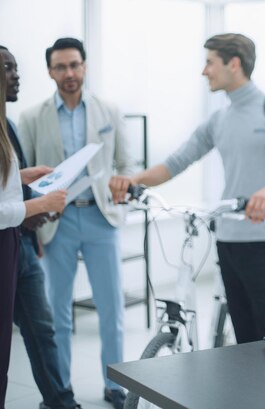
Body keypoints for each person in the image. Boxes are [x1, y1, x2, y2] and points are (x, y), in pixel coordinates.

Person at [109, 33, 265, 344]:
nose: (204, 71)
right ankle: (247, 393)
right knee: (244, 337)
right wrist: (133, 180)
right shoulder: (219, 120)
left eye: (210, 62)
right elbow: (175, 163)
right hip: (227, 241)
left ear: (234, 64)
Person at [18, 38, 134, 409]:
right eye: (61, 67)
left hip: (101, 217)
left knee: (111, 309)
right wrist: (34, 217)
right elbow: (25, 179)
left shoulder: (110, 111)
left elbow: (127, 165)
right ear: (50, 71)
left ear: (84, 66)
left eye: (75, 65)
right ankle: (61, 389)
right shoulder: (31, 117)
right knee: (57, 312)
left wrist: (123, 186)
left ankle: (115, 385)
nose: (69, 73)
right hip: (57, 222)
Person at [1, 45, 82, 409]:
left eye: (16, 67)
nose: (16, 75)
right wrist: (37, 204)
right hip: (7, 243)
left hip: (20, 244)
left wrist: (23, 178)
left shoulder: (9, 124)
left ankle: (61, 403)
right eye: (7, 68)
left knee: (42, 329)